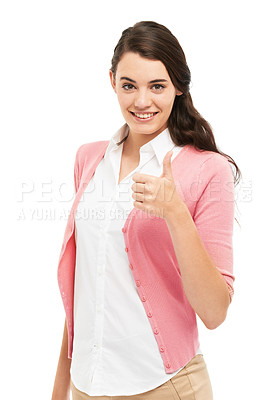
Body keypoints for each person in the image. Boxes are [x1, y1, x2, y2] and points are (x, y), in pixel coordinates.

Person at [51, 20, 241, 400]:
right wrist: (61, 387)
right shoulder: (89, 159)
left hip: (166, 386)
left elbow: (215, 312)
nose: (141, 102)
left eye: (157, 86)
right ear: (111, 81)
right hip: (87, 386)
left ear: (179, 86)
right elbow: (87, 289)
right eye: (128, 85)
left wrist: (175, 213)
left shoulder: (208, 170)